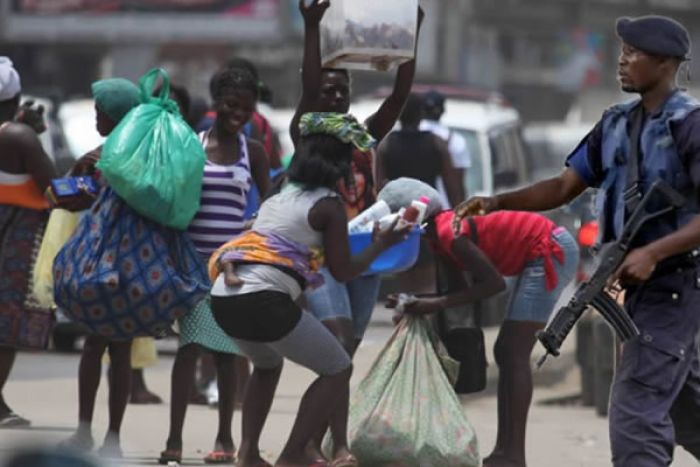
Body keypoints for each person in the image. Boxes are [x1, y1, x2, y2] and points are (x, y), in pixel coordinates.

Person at [453, 15, 700, 467]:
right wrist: (495, 202)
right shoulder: (615, 123)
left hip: (676, 285)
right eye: (621, 51)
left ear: (666, 63)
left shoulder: (690, 126)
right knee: (686, 410)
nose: (621, 61)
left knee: (635, 415)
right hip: (640, 291)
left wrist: (654, 251)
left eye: (633, 53)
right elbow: (563, 187)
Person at [209, 112, 410, 467]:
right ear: (338, 162)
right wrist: (382, 243)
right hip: (263, 297)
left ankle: (249, 454)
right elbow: (345, 271)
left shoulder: (280, 191)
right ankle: (292, 455)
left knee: (267, 364)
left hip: (225, 298)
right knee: (337, 368)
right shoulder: (328, 206)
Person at [289, 2, 423, 463]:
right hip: (322, 260)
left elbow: (398, 98)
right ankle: (306, 443)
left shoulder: (363, 138)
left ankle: (335, 443)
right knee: (339, 348)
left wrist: (411, 40)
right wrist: (311, 28)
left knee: (343, 358)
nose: (333, 97)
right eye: (327, 90)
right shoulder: (306, 132)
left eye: (340, 90)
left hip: (366, 259)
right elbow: (309, 85)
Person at [389, 179, 578, 467]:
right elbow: (455, 294)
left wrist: (432, 304)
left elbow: (493, 284)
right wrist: (414, 302)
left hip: (548, 250)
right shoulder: (439, 236)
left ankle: (513, 454)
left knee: (513, 351)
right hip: (535, 252)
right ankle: (505, 451)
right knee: (506, 351)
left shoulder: (448, 232)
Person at [159, 67, 270, 466]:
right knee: (188, 350)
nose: (238, 112)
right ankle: (174, 438)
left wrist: (249, 239)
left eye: (246, 107)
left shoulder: (252, 151)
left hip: (231, 268)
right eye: (231, 104)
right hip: (190, 263)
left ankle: (225, 437)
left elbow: (267, 205)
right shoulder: (193, 144)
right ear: (216, 104)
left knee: (226, 355)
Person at [58, 78, 141, 457]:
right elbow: (69, 199)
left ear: (116, 115)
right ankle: (106, 437)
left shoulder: (115, 156)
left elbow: (65, 200)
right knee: (114, 350)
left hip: (108, 262)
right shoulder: (126, 153)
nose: (95, 118)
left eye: (99, 112)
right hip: (131, 264)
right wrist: (79, 167)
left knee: (97, 347)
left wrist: (85, 170)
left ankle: (92, 433)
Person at [0, 56, 56, 428]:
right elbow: (56, 186)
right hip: (13, 246)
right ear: (16, 99)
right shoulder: (18, 136)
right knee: (6, 328)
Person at [376, 93, 463, 294]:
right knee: (428, 284)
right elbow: (454, 190)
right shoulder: (437, 144)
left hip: (399, 221)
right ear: (422, 114)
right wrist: (457, 222)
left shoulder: (387, 145)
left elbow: (379, 188)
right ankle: (424, 321)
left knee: (405, 282)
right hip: (430, 220)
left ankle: (407, 321)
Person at [420, 90, 471, 207]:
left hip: (411, 210)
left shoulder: (404, 137)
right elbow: (459, 183)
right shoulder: (456, 141)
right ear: (443, 111)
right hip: (444, 211)